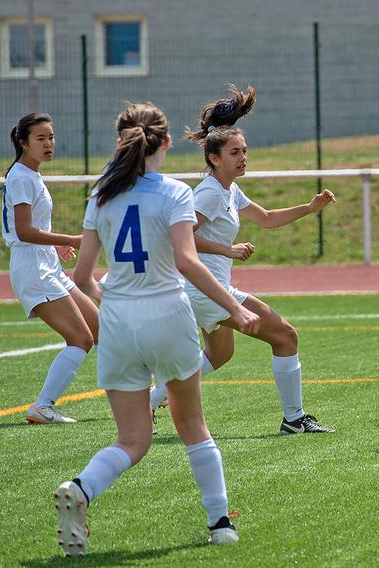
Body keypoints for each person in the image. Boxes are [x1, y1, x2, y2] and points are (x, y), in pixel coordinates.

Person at [54, 102, 261, 557]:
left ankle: (82, 487)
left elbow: (83, 276)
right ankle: (221, 523)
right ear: (166, 143)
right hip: (168, 314)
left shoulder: (100, 194)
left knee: (131, 440)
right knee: (193, 425)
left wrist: (116, 304)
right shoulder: (174, 191)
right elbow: (187, 261)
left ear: (121, 139)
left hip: (119, 324)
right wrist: (235, 308)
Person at [148, 85, 336, 434]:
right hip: (205, 289)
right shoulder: (208, 192)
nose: (243, 157)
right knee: (285, 336)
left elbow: (265, 218)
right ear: (214, 158)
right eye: (235, 152)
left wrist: (310, 209)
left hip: (205, 288)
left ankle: (152, 399)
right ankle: (294, 419)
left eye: (245, 151)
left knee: (220, 354)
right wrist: (227, 250)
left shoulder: (227, 189)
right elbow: (181, 238)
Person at [1, 113, 98, 424]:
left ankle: (132, 395)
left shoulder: (32, 174)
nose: (48, 144)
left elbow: (34, 228)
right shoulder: (20, 177)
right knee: (81, 339)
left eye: (51, 137)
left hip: (47, 265)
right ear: (23, 142)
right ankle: (43, 406)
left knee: (99, 328)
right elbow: (24, 231)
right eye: (40, 138)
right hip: (33, 269)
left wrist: (54, 245)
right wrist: (68, 238)